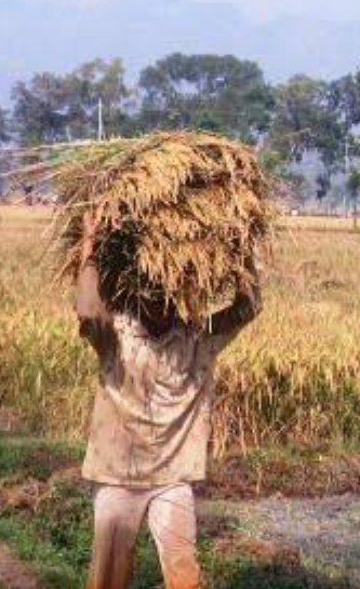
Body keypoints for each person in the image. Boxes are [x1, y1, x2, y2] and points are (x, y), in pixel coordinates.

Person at [75, 213, 261, 589]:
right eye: (155, 293)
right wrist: (89, 247)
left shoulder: (197, 340)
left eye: (170, 294)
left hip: (173, 478)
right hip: (118, 478)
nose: (163, 302)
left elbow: (247, 308)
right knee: (108, 580)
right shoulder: (116, 339)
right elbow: (88, 312)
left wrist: (243, 252)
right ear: (138, 294)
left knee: (184, 575)